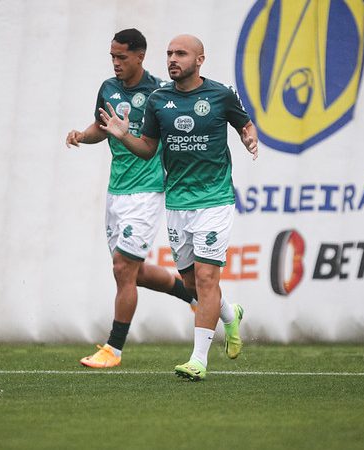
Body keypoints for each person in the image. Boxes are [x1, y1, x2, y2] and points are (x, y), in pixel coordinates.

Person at [98, 34, 259, 381]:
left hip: (214, 199)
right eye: (169, 53)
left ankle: (198, 360)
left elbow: (244, 122)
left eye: (181, 53)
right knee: (191, 282)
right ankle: (230, 316)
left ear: (200, 60)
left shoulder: (220, 94)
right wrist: (124, 135)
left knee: (205, 276)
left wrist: (249, 136)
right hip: (177, 200)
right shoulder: (158, 100)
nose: (172, 59)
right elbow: (147, 149)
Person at [66, 29, 202, 369]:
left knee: (122, 268)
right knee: (134, 272)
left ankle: (113, 349)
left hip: (147, 191)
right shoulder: (108, 88)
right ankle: (198, 297)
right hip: (117, 192)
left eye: (122, 57)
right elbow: (103, 126)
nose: (116, 63)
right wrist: (82, 135)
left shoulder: (158, 93)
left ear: (140, 57)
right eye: (112, 56)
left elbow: (176, 135)